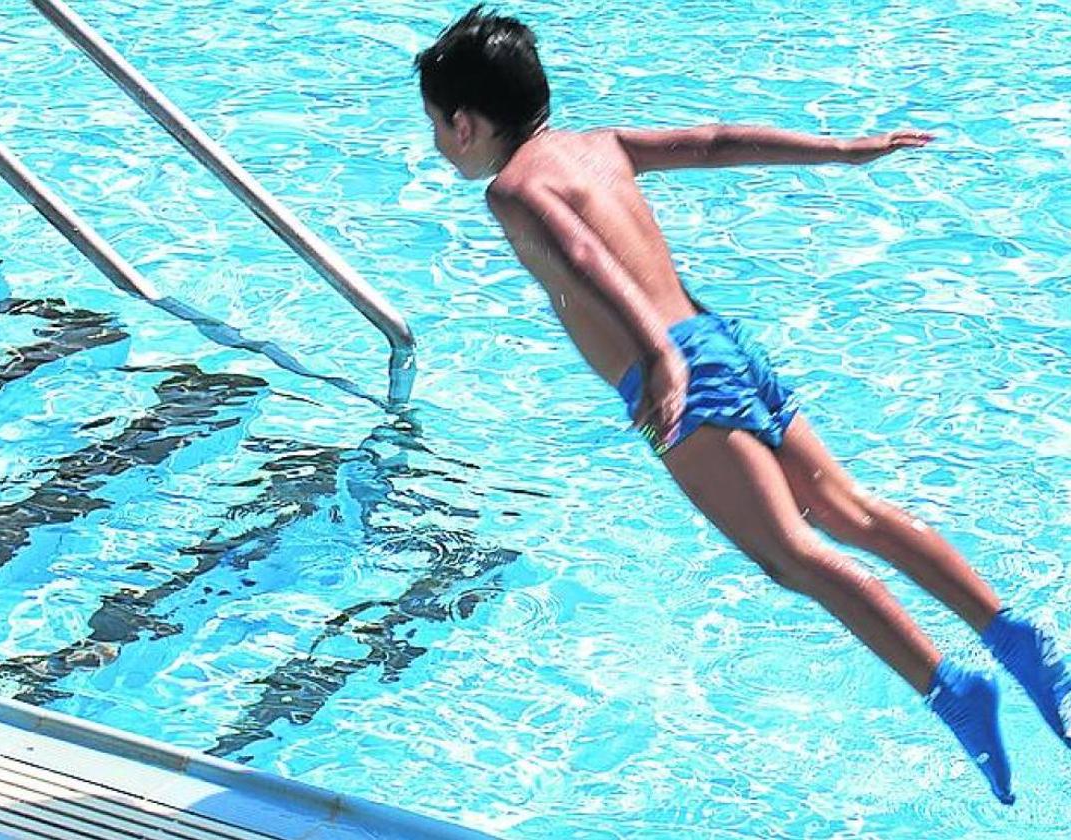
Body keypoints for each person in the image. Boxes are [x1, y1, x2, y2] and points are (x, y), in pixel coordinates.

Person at [413, 5, 1069, 805]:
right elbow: (717, 140)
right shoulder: (598, 147)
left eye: (438, 130)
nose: (441, 149)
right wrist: (839, 150)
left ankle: (952, 690)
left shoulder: (514, 188)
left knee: (789, 551)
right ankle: (1015, 638)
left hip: (674, 373)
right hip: (719, 342)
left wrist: (656, 357)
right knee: (851, 509)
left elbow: (581, 254)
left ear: (466, 122)